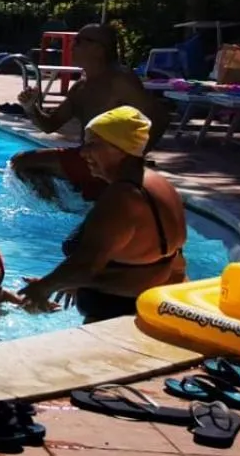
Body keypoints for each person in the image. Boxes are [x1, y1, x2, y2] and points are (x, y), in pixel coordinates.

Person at [20, 106, 187, 322]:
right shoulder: (158, 183)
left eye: (92, 144)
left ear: (122, 149)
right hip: (145, 305)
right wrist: (71, 281)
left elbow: (85, 266)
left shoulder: (124, 197)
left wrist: (42, 288)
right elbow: (172, 260)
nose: (83, 153)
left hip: (119, 316)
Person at [10, 23, 167, 202]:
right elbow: (50, 125)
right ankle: (61, 208)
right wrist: (31, 107)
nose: (72, 46)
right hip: (88, 157)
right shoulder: (80, 87)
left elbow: (160, 119)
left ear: (99, 49)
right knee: (24, 165)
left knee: (22, 162)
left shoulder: (120, 80)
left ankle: (60, 208)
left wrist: (134, 159)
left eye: (79, 41)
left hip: (109, 160)